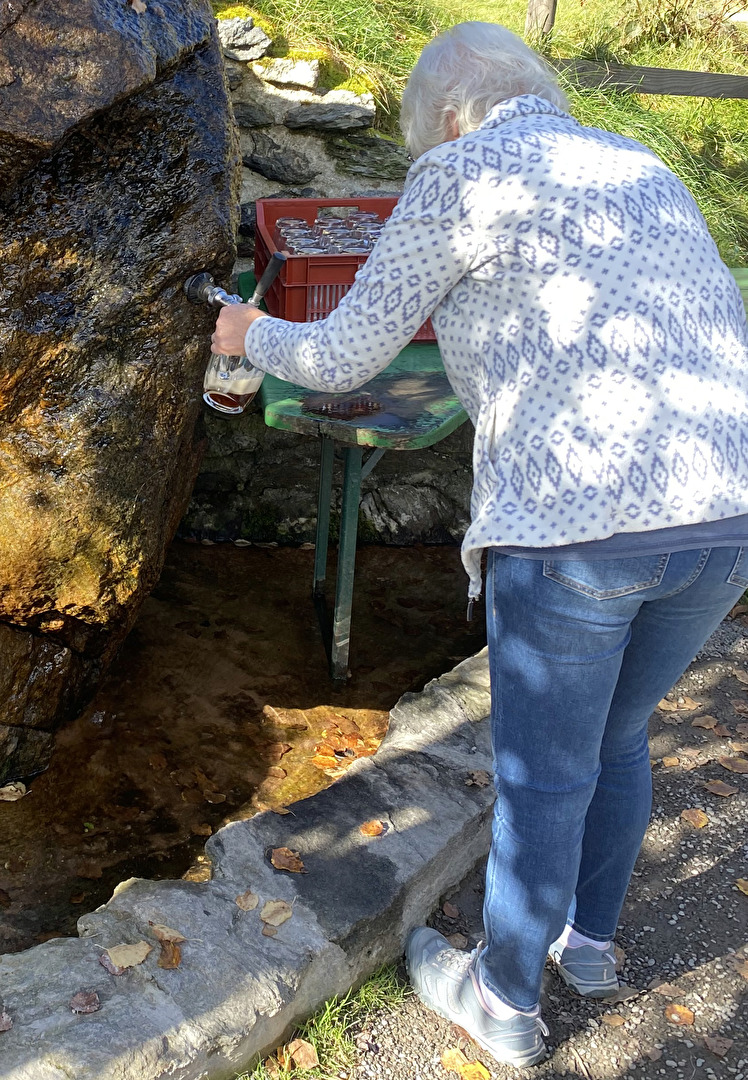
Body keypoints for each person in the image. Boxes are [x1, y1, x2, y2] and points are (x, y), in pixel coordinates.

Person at [213, 21, 748, 1068]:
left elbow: (340, 351)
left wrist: (246, 336)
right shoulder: (633, 160)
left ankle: (502, 1000)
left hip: (579, 527)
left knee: (546, 776)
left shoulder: (460, 172)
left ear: (443, 117)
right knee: (621, 736)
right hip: (726, 511)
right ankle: (585, 944)